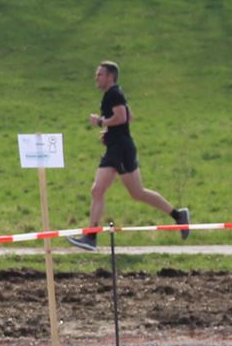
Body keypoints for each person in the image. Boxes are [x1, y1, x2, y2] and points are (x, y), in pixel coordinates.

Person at [66, 61, 190, 251]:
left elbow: (123, 117)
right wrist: (110, 132)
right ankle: (90, 237)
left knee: (137, 193)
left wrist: (101, 122)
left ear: (110, 77)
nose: (96, 78)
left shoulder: (114, 94)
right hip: (115, 148)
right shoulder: (115, 93)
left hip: (121, 150)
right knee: (98, 191)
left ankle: (178, 215)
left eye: (100, 74)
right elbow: (129, 116)